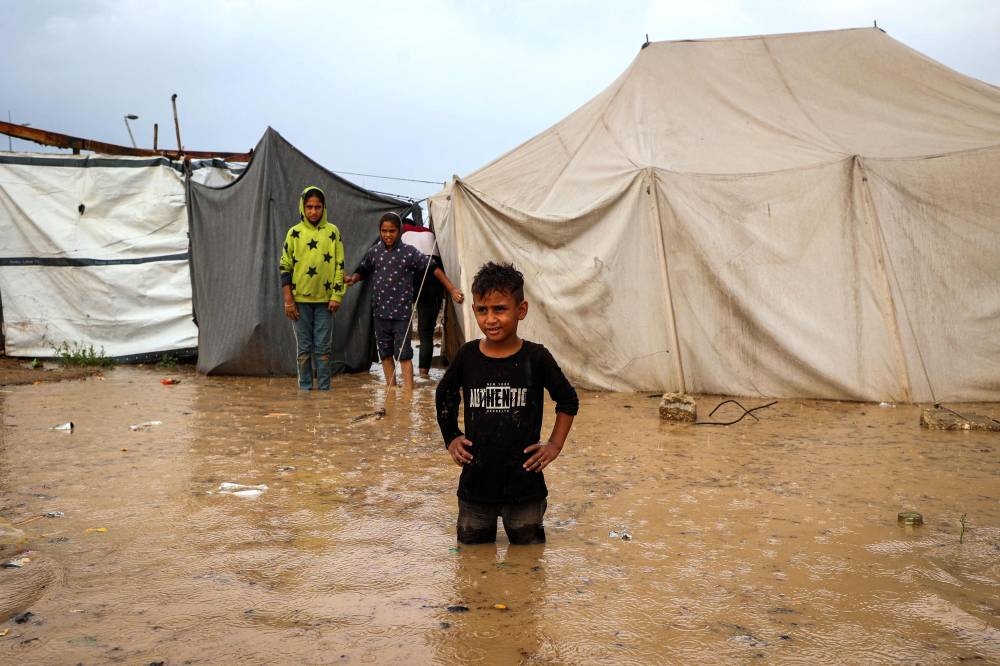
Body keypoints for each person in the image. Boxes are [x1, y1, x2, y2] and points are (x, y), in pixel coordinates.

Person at [435, 262, 578, 545]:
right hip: (476, 486)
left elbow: (568, 400)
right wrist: (451, 437)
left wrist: (554, 446)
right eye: (482, 310)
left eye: (500, 309)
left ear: (521, 310)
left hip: (525, 487)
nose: (490, 319)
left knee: (529, 557)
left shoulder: (536, 358)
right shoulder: (467, 356)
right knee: (473, 558)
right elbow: (445, 396)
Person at [345, 212, 463, 389]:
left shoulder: (409, 253)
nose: (387, 235)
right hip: (379, 313)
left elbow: (433, 268)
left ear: (400, 231)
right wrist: (352, 279)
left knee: (404, 355)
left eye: (392, 231)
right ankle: (391, 390)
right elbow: (363, 269)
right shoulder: (374, 252)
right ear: (379, 231)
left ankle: (408, 394)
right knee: (385, 354)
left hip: (402, 315)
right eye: (384, 231)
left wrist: (452, 288)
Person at [279, 186, 345, 390]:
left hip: (326, 302)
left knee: (323, 349)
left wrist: (337, 295)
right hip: (299, 302)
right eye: (309, 207)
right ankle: (305, 393)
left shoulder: (332, 232)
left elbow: (339, 265)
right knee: (304, 349)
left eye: (317, 207)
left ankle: (325, 392)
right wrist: (288, 300)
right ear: (303, 207)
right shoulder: (294, 233)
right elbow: (284, 267)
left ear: (324, 208)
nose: (313, 211)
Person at [401, 220, 462, 377]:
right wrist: (451, 289)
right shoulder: (431, 233)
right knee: (426, 332)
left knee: (401, 327)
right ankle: (423, 374)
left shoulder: (401, 232)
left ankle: (404, 373)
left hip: (411, 274)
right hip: (434, 278)